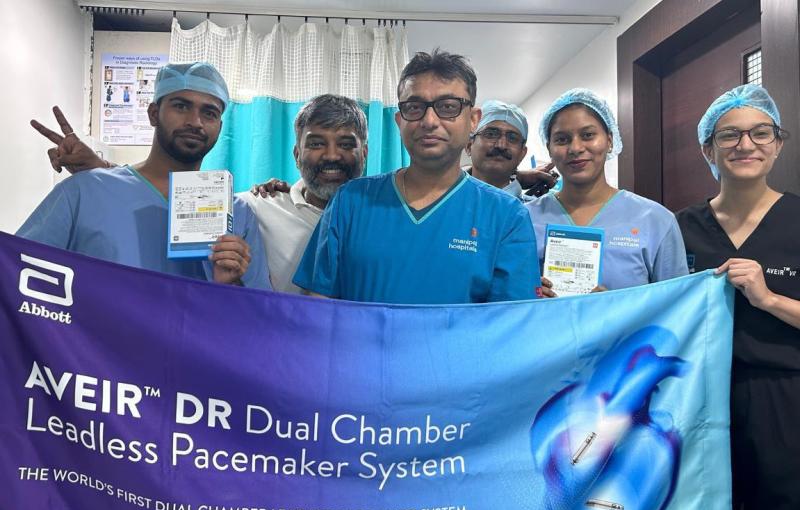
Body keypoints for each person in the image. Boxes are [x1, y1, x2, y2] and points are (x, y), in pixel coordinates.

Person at [293, 49, 540, 304]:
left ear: (473, 120)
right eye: (414, 107)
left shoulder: (507, 216)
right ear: (399, 121)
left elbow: (513, 320)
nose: (429, 121)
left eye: (448, 106)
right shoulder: (350, 201)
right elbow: (317, 307)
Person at [676, 85, 800, 510]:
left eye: (760, 133)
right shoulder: (681, 227)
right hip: (698, 396)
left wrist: (769, 299)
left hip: (783, 399)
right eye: (729, 135)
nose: (745, 145)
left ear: (778, 143)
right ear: (708, 149)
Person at [19, 62, 270, 290]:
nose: (195, 122)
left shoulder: (238, 214)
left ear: (220, 127)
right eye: (181, 106)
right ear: (153, 114)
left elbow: (257, 314)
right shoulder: (84, 191)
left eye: (209, 113)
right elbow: (19, 273)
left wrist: (231, 284)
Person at [526, 88, 687, 295]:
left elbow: (678, 304)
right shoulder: (524, 219)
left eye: (588, 135)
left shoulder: (656, 221)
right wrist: (527, 294)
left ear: (609, 140)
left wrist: (614, 308)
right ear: (549, 148)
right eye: (562, 139)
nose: (575, 148)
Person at [242, 94, 368, 293]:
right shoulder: (256, 207)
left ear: (364, 154)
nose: (332, 156)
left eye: (345, 144)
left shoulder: (381, 218)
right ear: (297, 155)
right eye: (316, 144)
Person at [465, 99, 557, 199]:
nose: (501, 145)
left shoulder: (530, 208)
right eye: (491, 134)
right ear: (469, 145)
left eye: (512, 138)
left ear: (522, 154)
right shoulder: (452, 194)